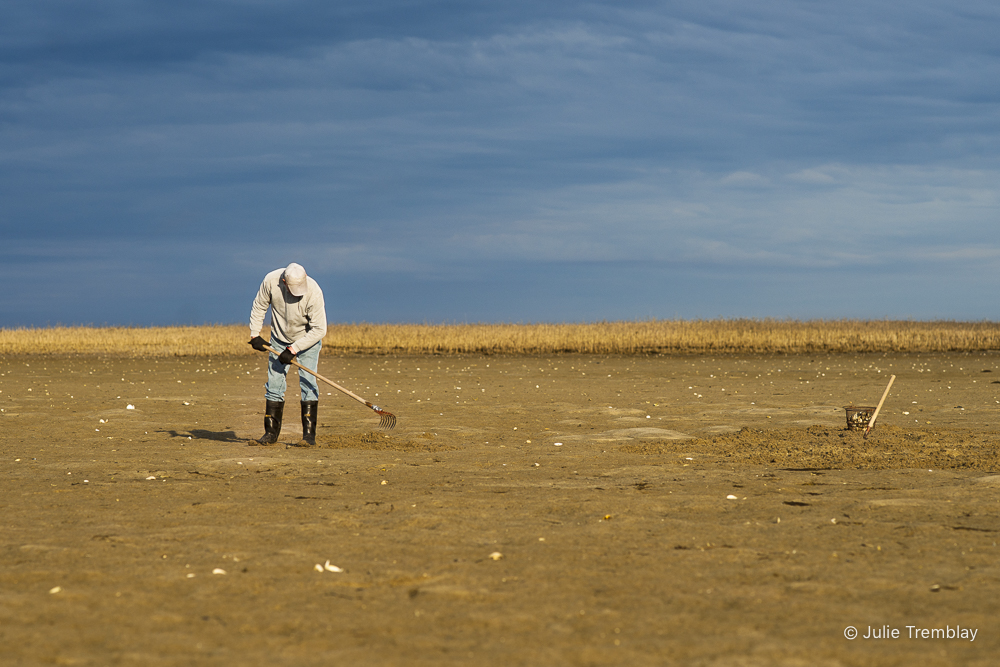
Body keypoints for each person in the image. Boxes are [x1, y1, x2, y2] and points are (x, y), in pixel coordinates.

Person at [248, 262, 327, 447]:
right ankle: (270, 434)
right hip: (278, 339)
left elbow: (319, 329)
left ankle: (308, 436)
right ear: (284, 281)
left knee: (308, 382)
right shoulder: (270, 281)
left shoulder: (314, 291)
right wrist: (255, 334)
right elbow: (259, 306)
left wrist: (293, 349)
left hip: (307, 340)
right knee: (274, 385)